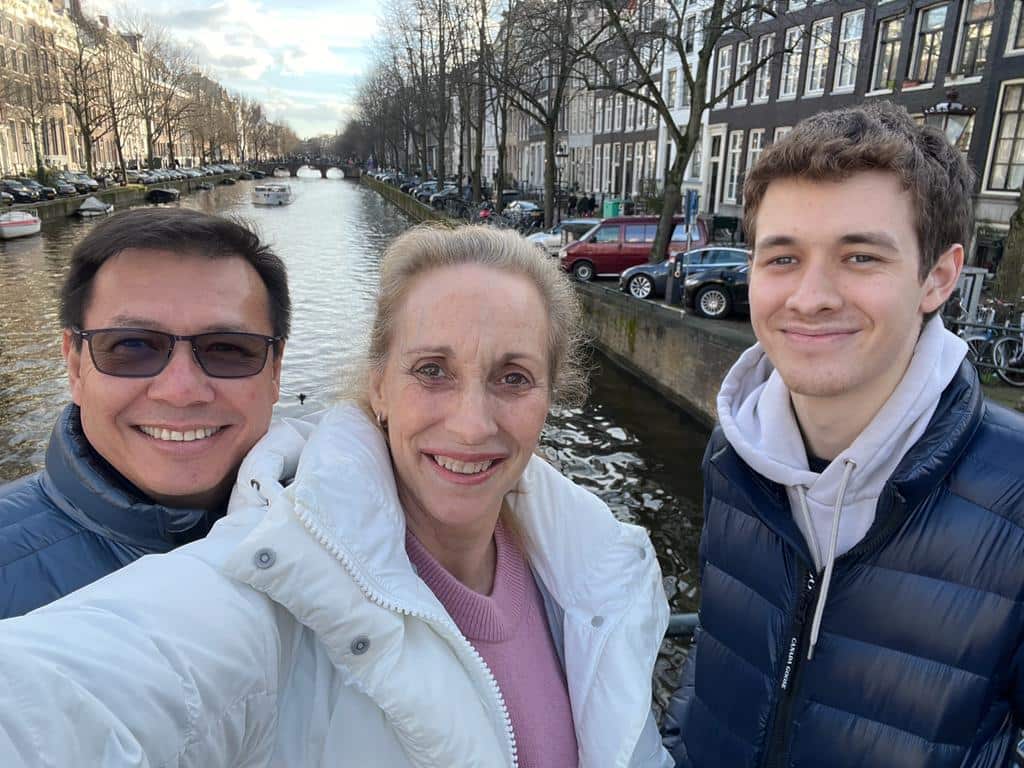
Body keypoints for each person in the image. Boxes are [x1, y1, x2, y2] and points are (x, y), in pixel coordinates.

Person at [0, 225, 672, 768]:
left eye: (514, 377)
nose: (472, 423)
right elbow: (75, 694)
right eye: (432, 371)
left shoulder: (597, 557)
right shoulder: (283, 566)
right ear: (378, 385)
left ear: (550, 396)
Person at [662, 102, 1024, 766]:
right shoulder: (734, 453)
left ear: (938, 277)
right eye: (782, 258)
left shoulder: (1016, 495)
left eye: (859, 257)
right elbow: (719, 657)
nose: (810, 296)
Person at [0, 208, 288, 618]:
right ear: (75, 365)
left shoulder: (361, 532)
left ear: (275, 371)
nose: (181, 391)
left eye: (226, 348)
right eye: (132, 347)